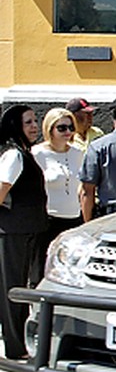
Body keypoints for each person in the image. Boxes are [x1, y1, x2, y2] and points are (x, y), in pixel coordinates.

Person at [0, 105, 48, 359]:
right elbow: (1, 189)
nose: (33, 126)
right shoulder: (14, 156)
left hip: (23, 229)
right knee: (13, 289)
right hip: (13, 231)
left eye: (35, 120)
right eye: (28, 122)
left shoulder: (24, 154)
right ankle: (15, 347)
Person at [31, 108, 85, 281]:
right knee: (41, 269)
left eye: (71, 127)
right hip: (48, 219)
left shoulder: (78, 153)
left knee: (70, 270)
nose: (68, 132)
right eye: (62, 128)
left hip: (74, 218)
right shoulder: (38, 153)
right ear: (50, 129)